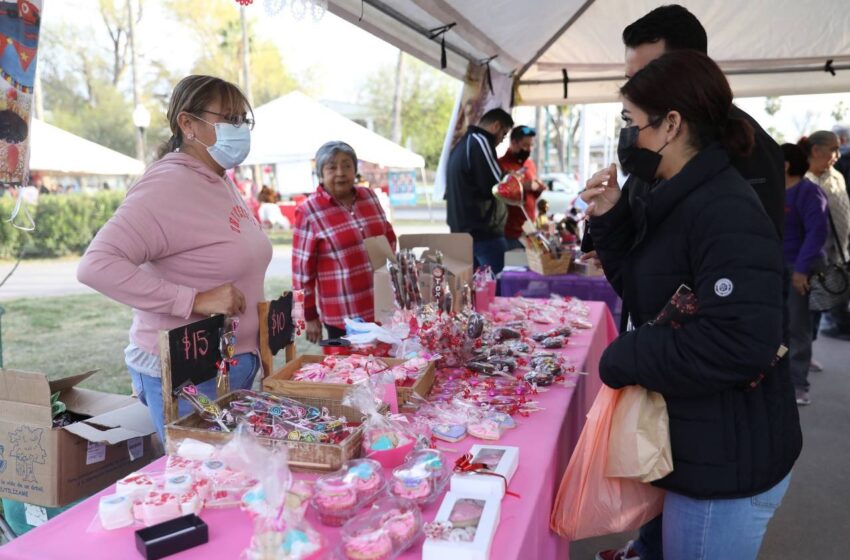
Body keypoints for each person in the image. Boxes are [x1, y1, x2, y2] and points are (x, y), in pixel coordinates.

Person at [584, 50, 800, 560]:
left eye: (631, 122)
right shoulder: (674, 195)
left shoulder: (723, 208)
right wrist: (612, 217)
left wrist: (625, 356)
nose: (626, 135)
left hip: (728, 461)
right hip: (699, 440)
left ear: (671, 124)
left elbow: (739, 345)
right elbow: (647, 296)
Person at [76, 75, 270, 442]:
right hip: (190, 374)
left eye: (243, 120)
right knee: (206, 483)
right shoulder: (167, 184)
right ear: (187, 123)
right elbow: (97, 264)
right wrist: (193, 300)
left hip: (229, 365)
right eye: (228, 119)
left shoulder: (218, 178)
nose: (239, 129)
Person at [582, 4, 785, 286]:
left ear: (688, 68)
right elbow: (644, 236)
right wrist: (610, 228)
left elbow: (750, 279)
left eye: (648, 75)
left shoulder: (748, 146)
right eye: (631, 80)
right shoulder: (653, 141)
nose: (635, 93)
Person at [292, 141, 396, 343]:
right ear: (321, 173)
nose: (340, 172)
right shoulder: (309, 211)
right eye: (332, 167)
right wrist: (308, 316)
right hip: (343, 315)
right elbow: (301, 273)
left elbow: (388, 236)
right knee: (350, 372)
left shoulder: (369, 196)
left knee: (386, 367)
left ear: (355, 169)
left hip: (380, 306)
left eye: (347, 165)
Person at [780, 143, 828, 406]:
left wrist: (800, 270)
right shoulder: (774, 191)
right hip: (776, 268)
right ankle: (779, 379)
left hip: (799, 269)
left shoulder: (810, 193)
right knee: (779, 326)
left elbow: (817, 234)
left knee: (798, 328)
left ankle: (799, 384)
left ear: (786, 165)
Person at [446, 107, 513, 273]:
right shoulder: (480, 141)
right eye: (504, 135)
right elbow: (498, 186)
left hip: (464, 233)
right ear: (496, 126)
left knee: (475, 291)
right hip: (483, 233)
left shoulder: (463, 144)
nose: (501, 140)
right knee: (495, 289)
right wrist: (513, 178)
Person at [801, 131, 850, 339]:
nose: (837, 155)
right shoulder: (802, 180)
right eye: (833, 149)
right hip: (811, 258)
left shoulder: (836, 176)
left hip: (837, 255)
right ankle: (803, 353)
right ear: (815, 150)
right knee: (807, 311)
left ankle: (807, 351)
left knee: (824, 301)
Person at [498, 125, 545, 249]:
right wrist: (523, 186)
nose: (528, 149)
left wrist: (538, 189)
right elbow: (499, 192)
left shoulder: (529, 164)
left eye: (531, 146)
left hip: (530, 230)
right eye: (525, 145)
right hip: (510, 232)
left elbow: (531, 197)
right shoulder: (501, 164)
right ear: (513, 143)